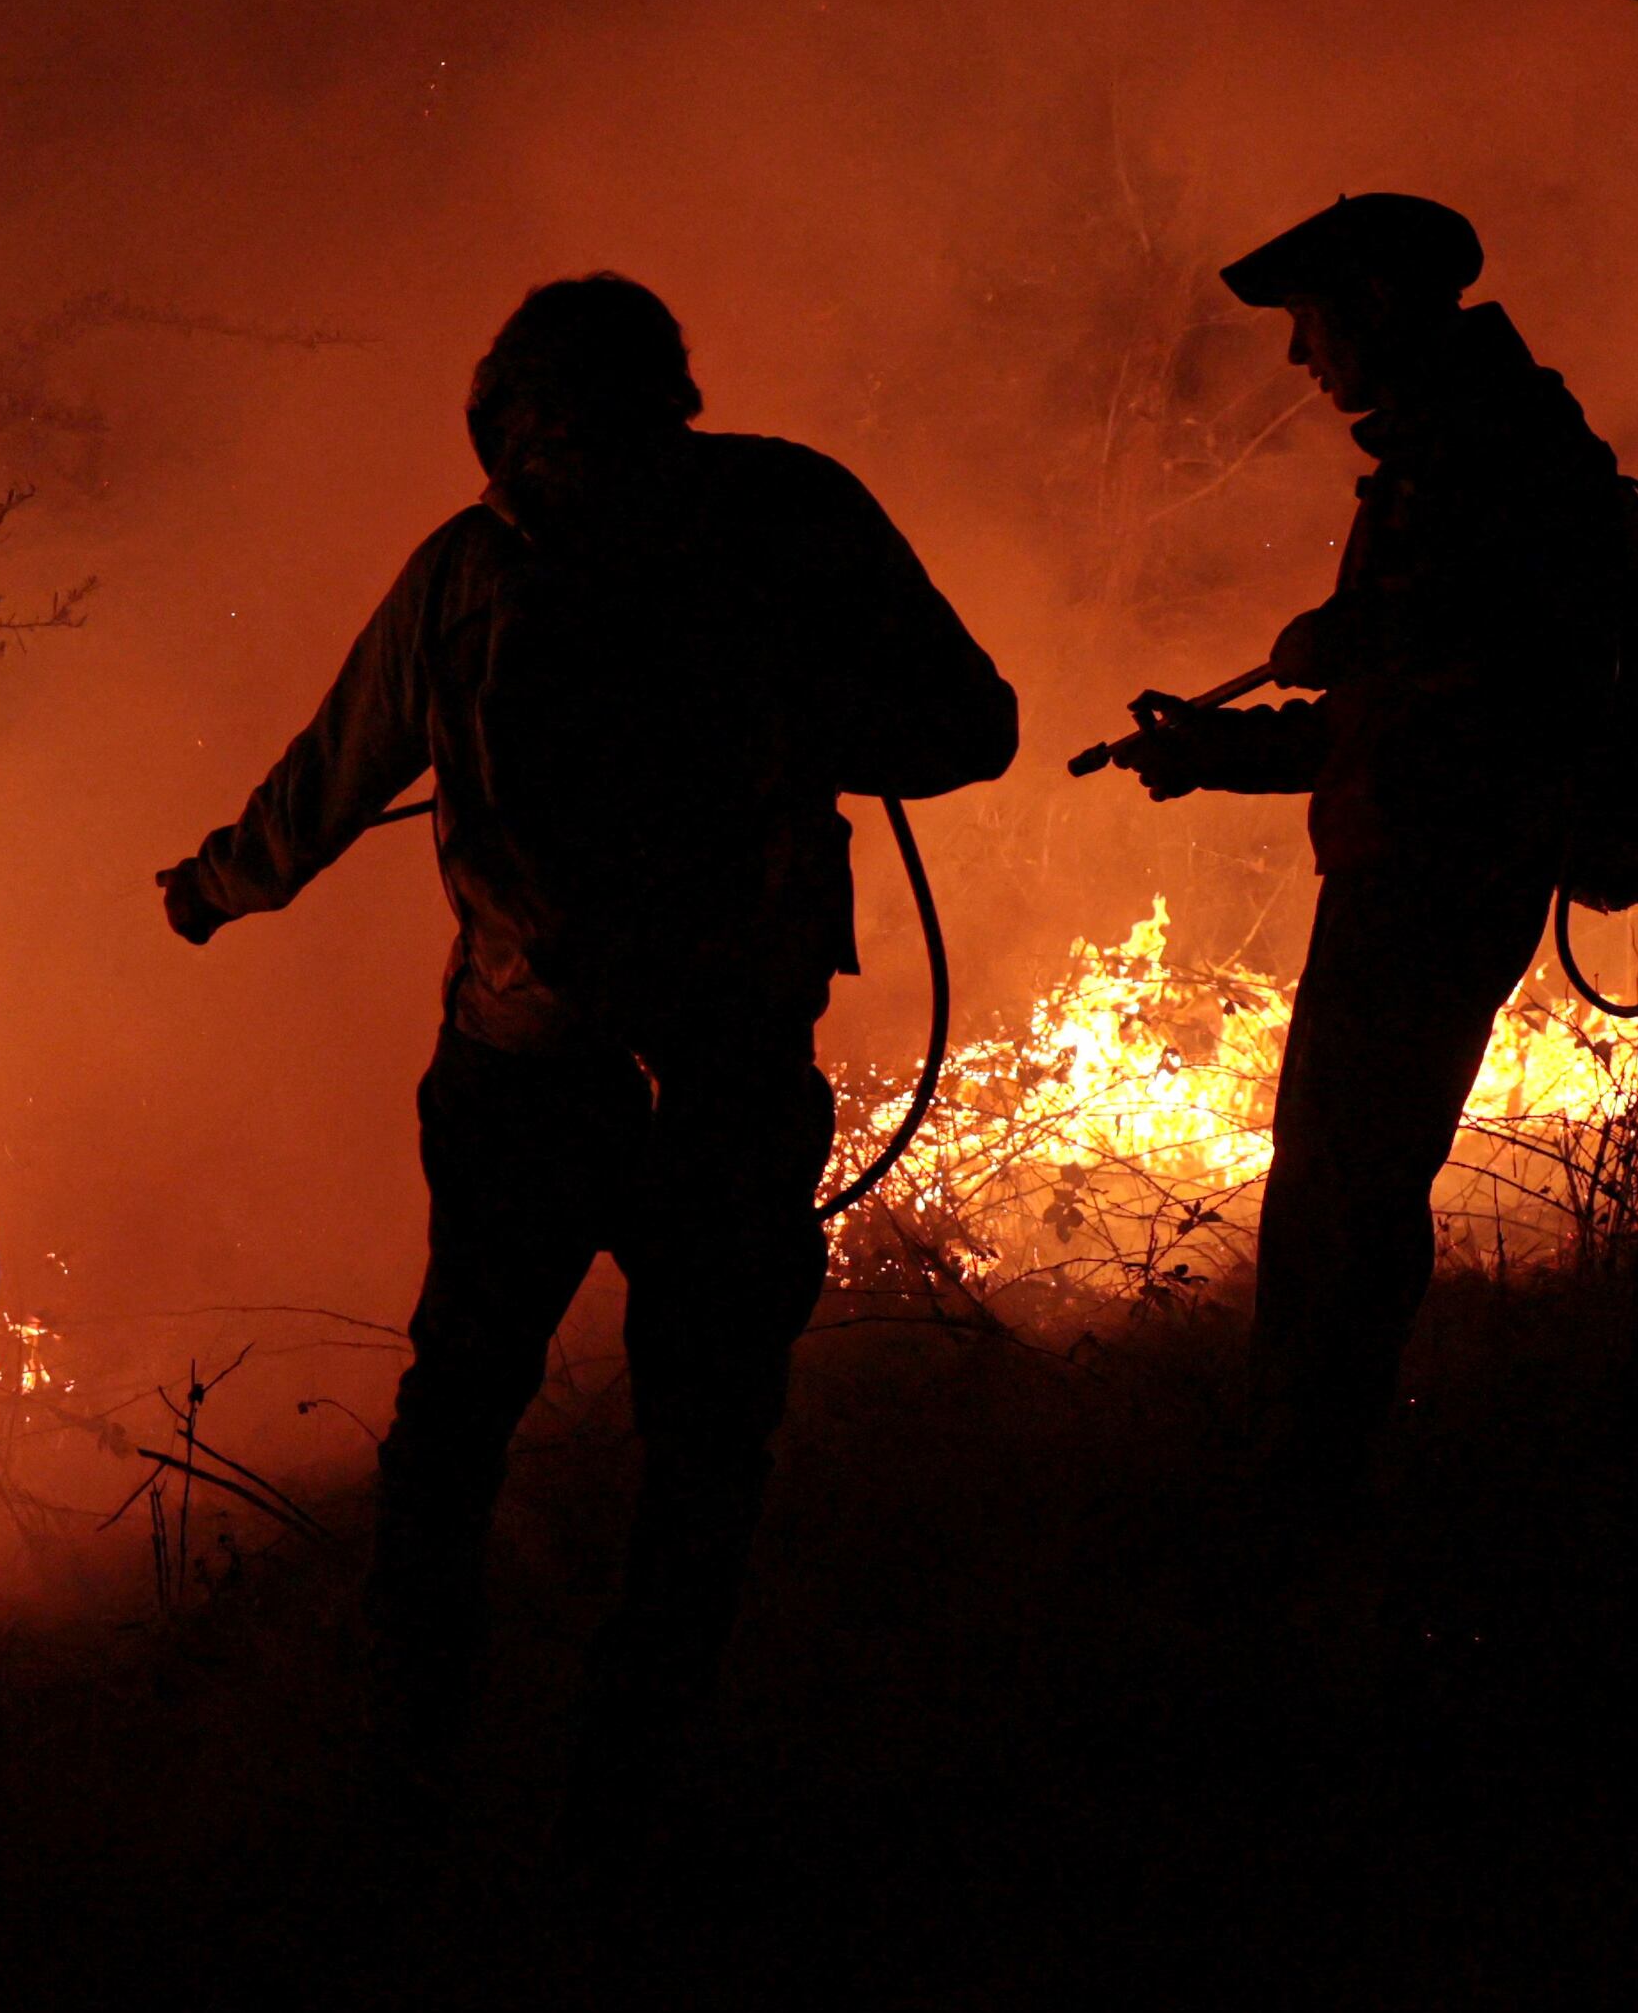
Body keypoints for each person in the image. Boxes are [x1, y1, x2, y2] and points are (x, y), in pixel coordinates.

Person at [156, 275, 1016, 1828]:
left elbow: (326, 781)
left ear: (516, 423)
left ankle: (416, 1747)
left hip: (529, 1063)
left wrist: (211, 891)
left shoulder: (474, 568)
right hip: (724, 1061)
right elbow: (971, 725)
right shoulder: (784, 508)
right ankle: (634, 1759)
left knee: (468, 1394)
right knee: (705, 1416)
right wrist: (788, 724)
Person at [1105, 192, 1638, 1494]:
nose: (1300, 356)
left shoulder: (1496, 452)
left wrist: (1349, 639)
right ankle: (1308, 1462)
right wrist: (1217, 751)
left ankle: (1307, 1487)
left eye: (1309, 321)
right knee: (1341, 1180)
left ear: (1372, 308)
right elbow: (1389, 724)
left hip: (1438, 876)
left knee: (1347, 1192)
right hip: (1412, 859)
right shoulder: (1450, 449)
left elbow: (1501, 680)